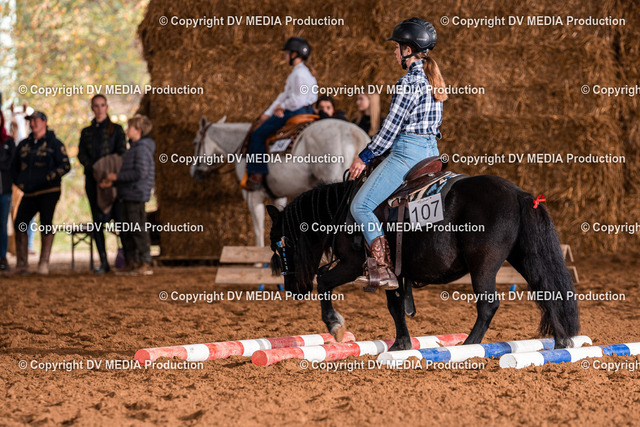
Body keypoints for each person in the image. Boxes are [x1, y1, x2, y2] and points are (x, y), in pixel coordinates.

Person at [348, 17, 448, 291]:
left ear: (408, 49)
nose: (394, 52)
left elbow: (390, 130)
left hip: (407, 154)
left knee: (360, 206)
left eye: (396, 47)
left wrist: (364, 157)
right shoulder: (433, 79)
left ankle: (383, 269)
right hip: (431, 153)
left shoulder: (408, 82)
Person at [245, 37, 318, 190]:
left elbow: (298, 99)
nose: (285, 56)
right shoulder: (304, 73)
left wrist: (282, 107)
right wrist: (270, 111)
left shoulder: (298, 74)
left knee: (258, 134)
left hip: (296, 110)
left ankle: (257, 173)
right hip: (307, 110)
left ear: (294, 54)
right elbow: (286, 95)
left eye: (286, 53)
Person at [10, 111, 70, 274]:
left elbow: (65, 166)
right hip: (29, 193)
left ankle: (44, 263)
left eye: (36, 120)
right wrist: (19, 182)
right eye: (31, 121)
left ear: (45, 122)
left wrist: (48, 177)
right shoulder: (24, 145)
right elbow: (13, 167)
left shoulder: (54, 143)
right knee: (20, 223)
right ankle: (22, 264)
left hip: (49, 191)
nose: (33, 123)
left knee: (46, 223)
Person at [100, 114, 155, 276]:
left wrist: (116, 177)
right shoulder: (134, 149)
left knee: (137, 229)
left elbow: (139, 173)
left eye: (130, 127)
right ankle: (132, 262)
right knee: (127, 229)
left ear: (138, 130)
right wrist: (113, 183)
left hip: (135, 195)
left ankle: (145, 262)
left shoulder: (141, 150)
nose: (127, 130)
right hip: (128, 194)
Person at [78, 94, 126, 274]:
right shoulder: (86, 132)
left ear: (107, 107)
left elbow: (121, 153)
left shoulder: (117, 130)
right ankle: (104, 262)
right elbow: (82, 155)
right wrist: (95, 171)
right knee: (97, 222)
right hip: (93, 182)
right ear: (92, 108)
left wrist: (109, 176)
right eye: (96, 106)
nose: (99, 109)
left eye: (102, 105)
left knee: (120, 220)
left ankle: (127, 259)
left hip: (113, 183)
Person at [0, 108, 15, 271]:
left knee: (2, 225)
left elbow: (11, 164)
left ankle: (2, 257)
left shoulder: (9, 142)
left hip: (4, 191)